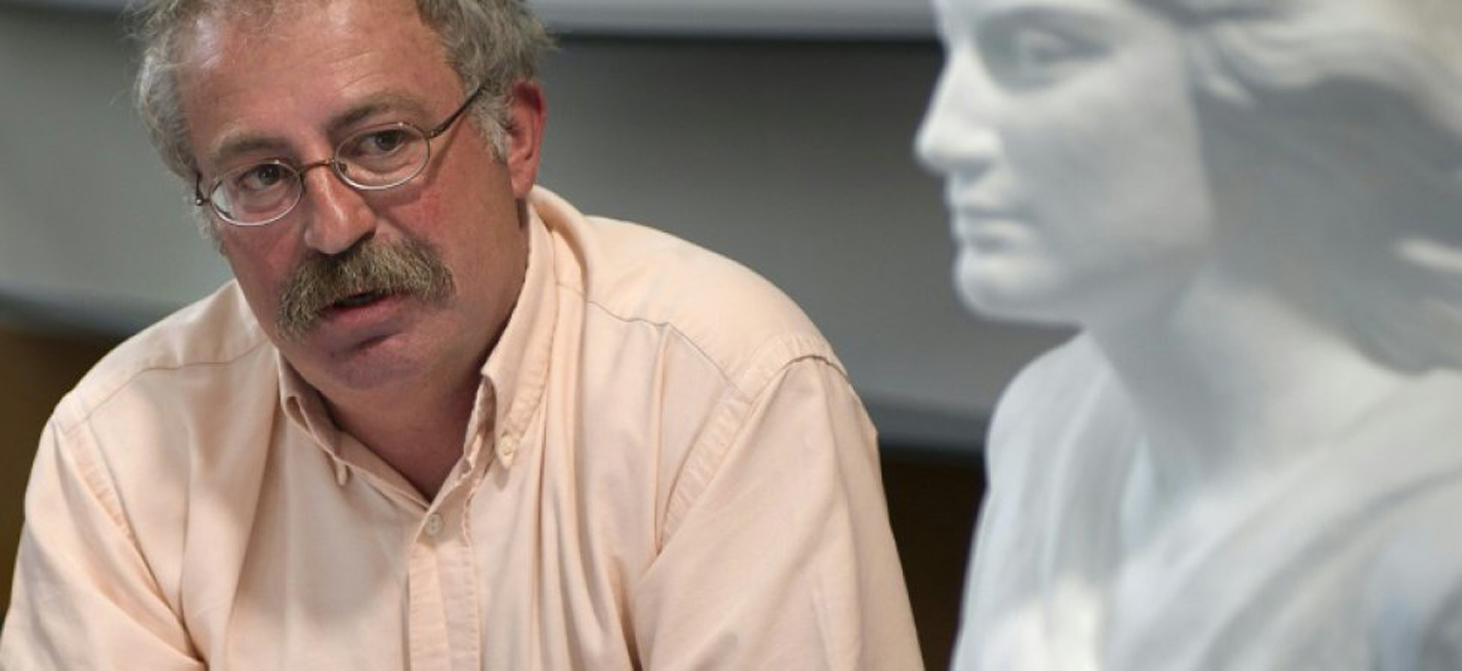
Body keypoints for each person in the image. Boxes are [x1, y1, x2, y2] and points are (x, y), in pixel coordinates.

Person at [0, 0, 924, 668]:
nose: (333, 228)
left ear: (514, 136)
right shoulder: (120, 454)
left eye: (381, 143)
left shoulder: (725, 392)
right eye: (262, 176)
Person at [917, 0, 1462, 668]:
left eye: (1039, 54)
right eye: (953, 48)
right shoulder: (1046, 426)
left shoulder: (1432, 551)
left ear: (1266, 73)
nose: (941, 136)